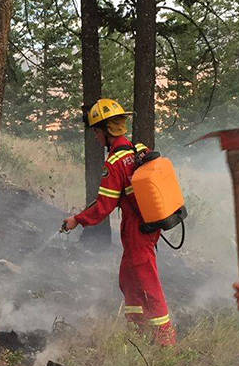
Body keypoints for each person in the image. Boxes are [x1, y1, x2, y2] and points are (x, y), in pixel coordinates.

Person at [61, 98, 175, 346]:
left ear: (104, 130)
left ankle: (166, 341)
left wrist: (77, 220)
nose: (95, 137)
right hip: (145, 227)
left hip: (138, 231)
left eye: (96, 132)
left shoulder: (114, 163)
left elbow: (103, 208)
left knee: (148, 282)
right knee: (128, 279)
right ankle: (138, 332)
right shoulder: (138, 150)